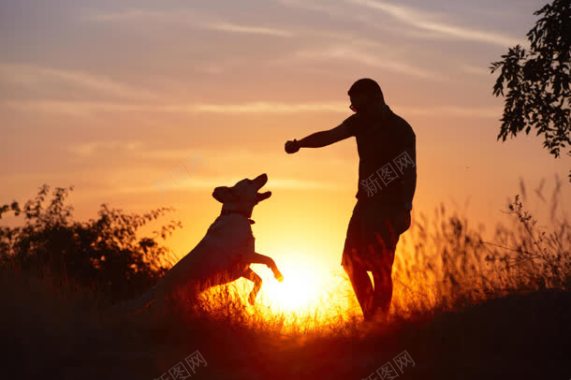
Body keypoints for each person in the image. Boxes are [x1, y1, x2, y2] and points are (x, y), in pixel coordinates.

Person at [284, 78, 416, 320]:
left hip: (389, 207)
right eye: (354, 108)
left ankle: (379, 324)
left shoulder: (401, 129)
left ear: (377, 100)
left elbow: (409, 171)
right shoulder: (359, 123)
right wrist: (300, 144)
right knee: (349, 261)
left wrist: (404, 208)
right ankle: (372, 319)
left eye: (361, 107)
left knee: (381, 268)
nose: (357, 112)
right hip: (365, 204)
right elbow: (330, 136)